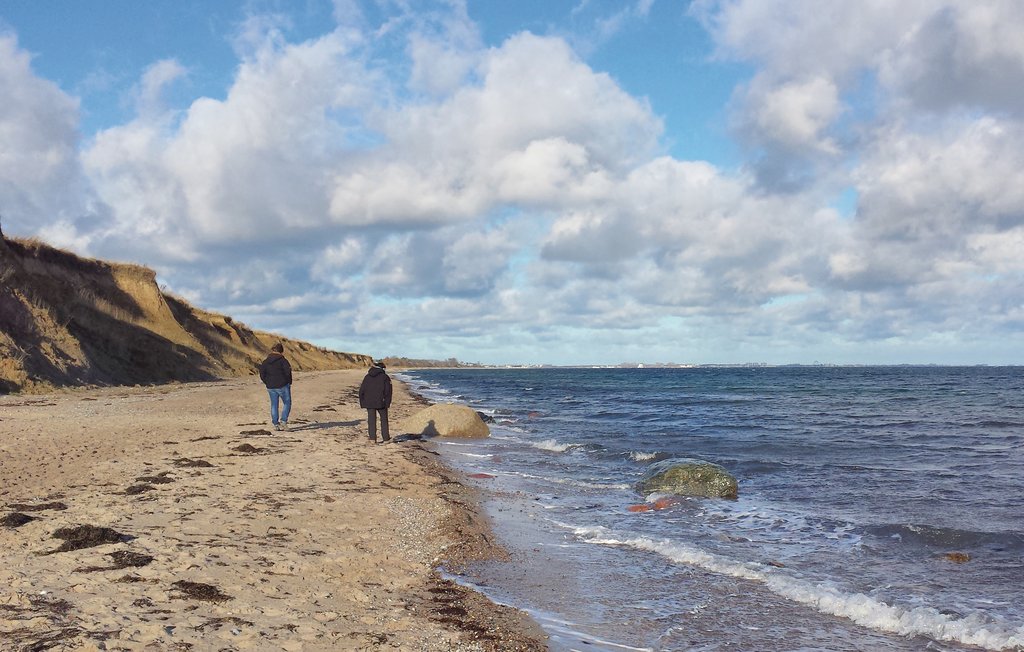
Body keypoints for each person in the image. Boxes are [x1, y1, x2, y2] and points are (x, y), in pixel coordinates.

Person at [259, 342, 292, 431]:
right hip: (282, 385)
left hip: (271, 386)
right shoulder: (283, 360)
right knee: (287, 403)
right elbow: (288, 372)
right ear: (281, 351)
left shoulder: (266, 361)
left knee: (274, 405)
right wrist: (288, 382)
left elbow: (262, 373)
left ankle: (276, 424)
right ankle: (283, 421)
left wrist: (267, 382)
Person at [359, 360, 392, 443]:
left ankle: (372, 439)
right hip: (381, 401)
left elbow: (362, 390)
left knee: (371, 420)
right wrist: (387, 403)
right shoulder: (385, 377)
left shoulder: (367, 376)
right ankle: (386, 438)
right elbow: (388, 391)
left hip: (369, 401)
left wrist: (362, 402)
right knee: (384, 420)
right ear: (382, 368)